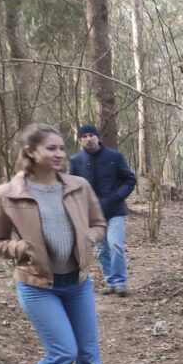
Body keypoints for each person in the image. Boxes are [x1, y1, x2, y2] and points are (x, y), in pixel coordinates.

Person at [0, 123, 107, 364]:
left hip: (77, 282)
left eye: (62, 148)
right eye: (51, 148)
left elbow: (98, 223)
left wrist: (88, 238)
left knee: (89, 356)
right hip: (37, 285)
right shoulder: (7, 194)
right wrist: (19, 248)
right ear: (31, 152)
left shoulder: (78, 186)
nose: (59, 154)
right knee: (63, 352)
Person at [68, 124, 136, 296]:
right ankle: (111, 281)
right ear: (80, 140)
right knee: (101, 250)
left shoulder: (114, 156)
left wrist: (118, 195)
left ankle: (120, 282)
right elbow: (70, 187)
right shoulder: (75, 161)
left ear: (98, 137)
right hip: (91, 215)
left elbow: (129, 179)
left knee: (116, 245)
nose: (88, 139)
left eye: (91, 135)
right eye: (84, 136)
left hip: (114, 210)